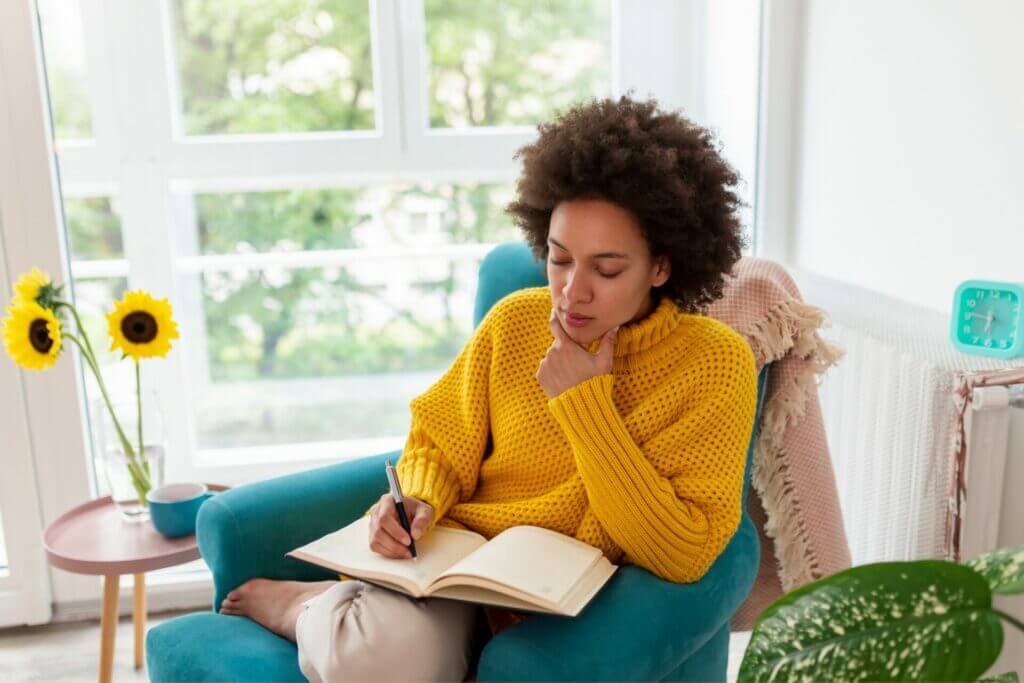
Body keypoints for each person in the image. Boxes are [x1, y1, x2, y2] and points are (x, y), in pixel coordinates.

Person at [218, 94, 760, 682]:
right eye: (558, 260)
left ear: (661, 266)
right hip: (464, 570)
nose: (572, 291)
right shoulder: (514, 322)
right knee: (376, 659)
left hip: (568, 599)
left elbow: (682, 551)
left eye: (606, 270)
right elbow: (439, 440)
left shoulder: (714, 363)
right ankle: (304, 609)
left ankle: (333, 616)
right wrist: (417, 501)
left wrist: (583, 402)